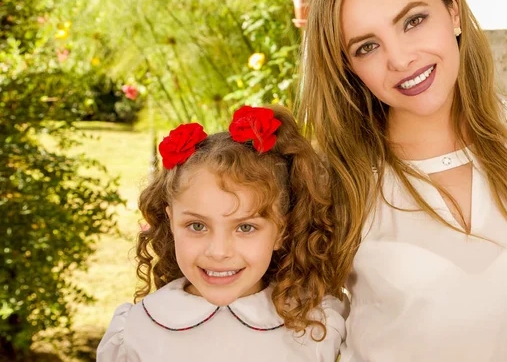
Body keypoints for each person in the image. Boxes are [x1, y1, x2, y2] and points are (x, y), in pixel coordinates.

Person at [298, 0, 507, 362]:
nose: (399, 58)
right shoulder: (338, 181)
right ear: (348, 67)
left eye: (413, 21)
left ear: (452, 9)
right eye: (367, 46)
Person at [97, 105, 346, 361]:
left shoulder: (317, 329)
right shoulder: (137, 331)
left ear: (282, 231)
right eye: (197, 226)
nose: (218, 251)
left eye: (245, 227)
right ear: (171, 222)